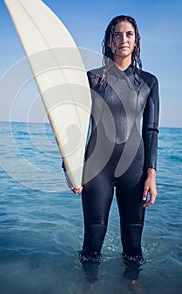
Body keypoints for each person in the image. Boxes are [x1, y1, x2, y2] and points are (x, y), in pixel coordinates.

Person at [68, 15, 159, 282]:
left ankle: (131, 283)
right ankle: (90, 284)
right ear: (109, 41)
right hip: (97, 168)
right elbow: (73, 125)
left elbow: (150, 130)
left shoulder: (149, 82)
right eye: (117, 35)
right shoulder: (92, 79)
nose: (123, 39)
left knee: (133, 238)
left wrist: (151, 173)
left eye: (129, 34)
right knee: (93, 237)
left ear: (136, 40)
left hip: (135, 169)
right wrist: (70, 165)